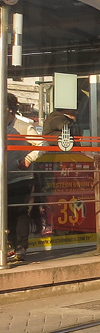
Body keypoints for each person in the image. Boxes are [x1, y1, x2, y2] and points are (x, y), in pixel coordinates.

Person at [5, 95, 34, 263]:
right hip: (4, 177)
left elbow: (42, 145)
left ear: (8, 109)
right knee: (7, 212)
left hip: (21, 176)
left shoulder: (24, 126)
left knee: (20, 211)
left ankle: (21, 247)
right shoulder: (2, 126)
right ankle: (11, 246)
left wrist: (27, 160)